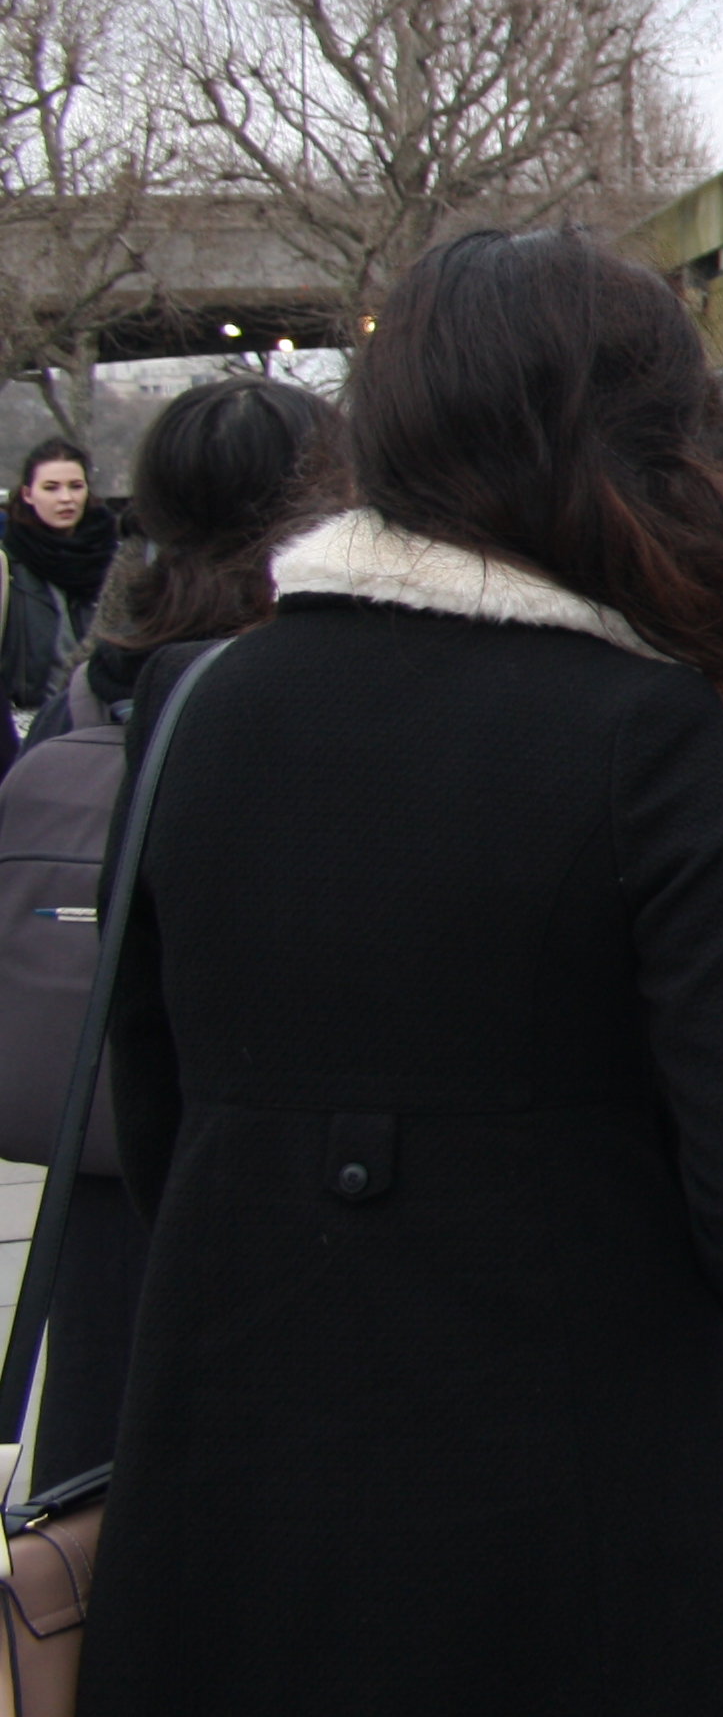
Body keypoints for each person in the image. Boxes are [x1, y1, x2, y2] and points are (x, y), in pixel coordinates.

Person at [81, 230, 723, 1716]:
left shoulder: (201, 704)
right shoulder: (649, 733)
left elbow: (158, 1108)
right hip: (577, 1522)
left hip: (240, 1472)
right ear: (637, 449)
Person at [4, 374, 339, 1493]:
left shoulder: (103, 682)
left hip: (105, 1177)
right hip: (268, 1179)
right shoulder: (304, 692)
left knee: (107, 1515)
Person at [4, 434, 117, 719]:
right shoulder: (9, 563)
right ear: (28, 494)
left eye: (75, 486)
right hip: (27, 718)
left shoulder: (117, 557)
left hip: (102, 716)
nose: (65, 498)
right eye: (51, 488)